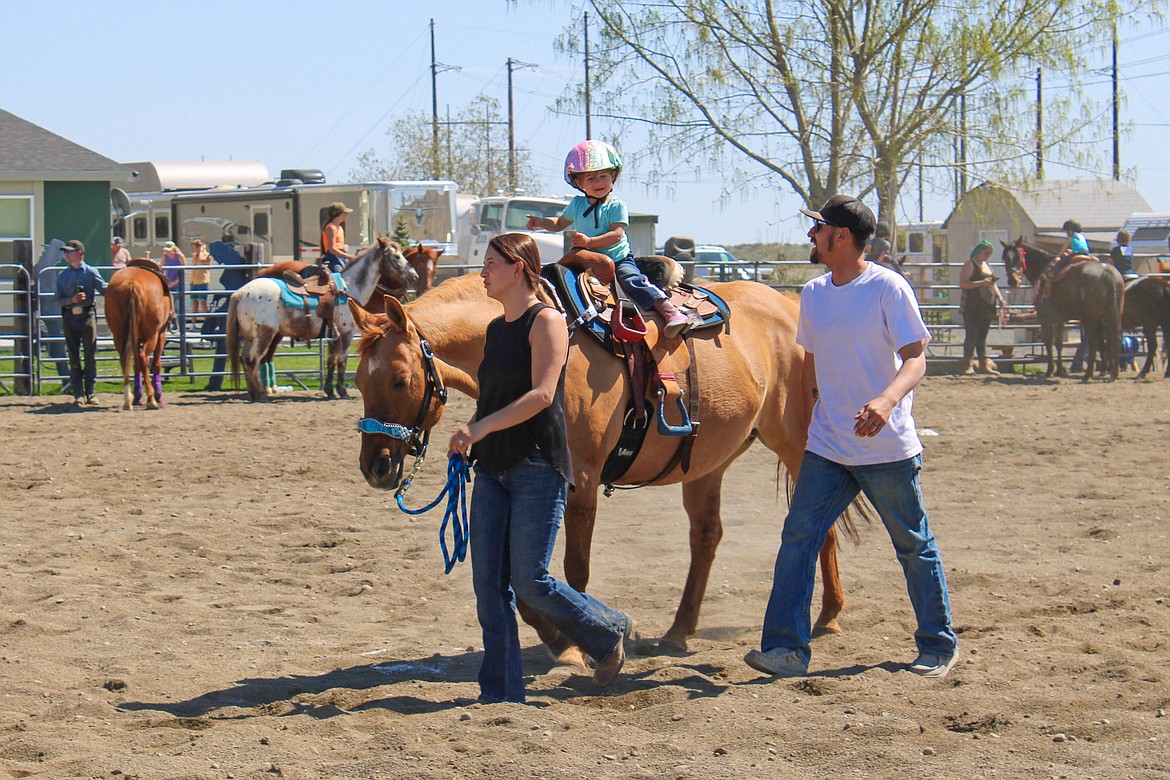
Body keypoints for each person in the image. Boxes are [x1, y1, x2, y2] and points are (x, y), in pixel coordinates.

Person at [744, 195, 958, 680]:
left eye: (818, 228)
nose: (811, 236)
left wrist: (886, 402)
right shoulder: (815, 293)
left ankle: (937, 644)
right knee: (798, 539)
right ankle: (786, 650)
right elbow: (810, 366)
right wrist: (807, 426)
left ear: (841, 235)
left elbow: (916, 358)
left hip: (886, 447)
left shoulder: (888, 288)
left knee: (912, 544)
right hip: (828, 446)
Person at [448, 232, 631, 703]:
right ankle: (502, 692)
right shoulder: (496, 329)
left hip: (535, 465)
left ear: (517, 268)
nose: (483, 271)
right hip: (492, 469)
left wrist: (480, 429)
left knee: (530, 580)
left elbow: (542, 395)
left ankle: (606, 630)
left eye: (490, 263)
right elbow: (494, 397)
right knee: (489, 587)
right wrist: (469, 433)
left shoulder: (546, 321)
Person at [527, 141, 688, 338]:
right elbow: (559, 223)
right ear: (578, 183)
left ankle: (669, 311)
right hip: (587, 259)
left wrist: (588, 242)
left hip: (617, 258)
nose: (598, 182)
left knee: (631, 279)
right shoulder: (577, 204)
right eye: (591, 178)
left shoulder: (616, 205)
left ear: (613, 177)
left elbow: (616, 235)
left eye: (603, 176)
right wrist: (540, 221)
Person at [55, 240, 106, 406]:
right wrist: (72, 300)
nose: (67, 255)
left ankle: (90, 392)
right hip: (70, 317)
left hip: (87, 316)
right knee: (74, 355)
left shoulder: (91, 272)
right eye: (66, 252)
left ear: (79, 253)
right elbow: (58, 299)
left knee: (90, 355)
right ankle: (78, 393)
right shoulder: (63, 275)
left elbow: (104, 289)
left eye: (70, 252)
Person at [958, 240, 1008, 375]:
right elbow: (963, 283)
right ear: (979, 251)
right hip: (972, 305)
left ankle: (983, 363)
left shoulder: (987, 265)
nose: (988, 256)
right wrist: (980, 283)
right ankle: (968, 363)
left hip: (986, 305)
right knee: (971, 335)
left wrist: (1000, 298)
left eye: (989, 253)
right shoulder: (970, 264)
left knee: (982, 336)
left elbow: (992, 284)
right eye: (986, 253)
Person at [287, 202, 357, 286]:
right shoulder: (331, 228)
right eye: (344, 213)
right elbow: (332, 249)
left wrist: (344, 246)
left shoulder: (339, 227)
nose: (346, 215)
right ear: (337, 214)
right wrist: (349, 256)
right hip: (333, 257)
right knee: (338, 277)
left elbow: (338, 244)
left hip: (341, 256)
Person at [188, 239, 212, 316]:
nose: (194, 250)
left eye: (195, 248)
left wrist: (201, 251)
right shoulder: (195, 255)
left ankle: (207, 323)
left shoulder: (207, 255)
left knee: (203, 302)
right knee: (194, 303)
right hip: (193, 281)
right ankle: (193, 323)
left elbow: (202, 259)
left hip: (202, 281)